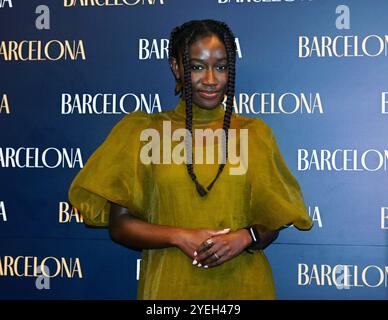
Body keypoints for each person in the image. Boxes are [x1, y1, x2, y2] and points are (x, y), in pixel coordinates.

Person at [68, 19, 313, 300]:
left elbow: (275, 218)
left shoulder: (254, 134)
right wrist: (178, 236)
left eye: (220, 67)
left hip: (244, 287)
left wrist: (245, 238)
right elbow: (120, 225)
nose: (210, 79)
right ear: (177, 67)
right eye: (197, 66)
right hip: (170, 287)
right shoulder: (145, 132)